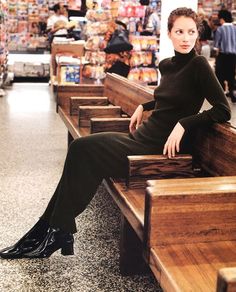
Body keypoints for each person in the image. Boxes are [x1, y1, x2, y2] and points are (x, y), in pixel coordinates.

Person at [0, 7, 231, 259]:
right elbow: (168, 99)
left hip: (156, 148)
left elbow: (222, 109)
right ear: (169, 34)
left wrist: (186, 122)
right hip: (142, 137)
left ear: (198, 34)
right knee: (80, 148)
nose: (186, 38)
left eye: (191, 32)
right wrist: (145, 105)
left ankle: (55, 231)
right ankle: (49, 229)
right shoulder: (168, 65)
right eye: (179, 32)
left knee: (83, 150)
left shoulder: (198, 65)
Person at [214, 9, 236, 103]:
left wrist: (216, 54)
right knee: (231, 75)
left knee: (219, 74)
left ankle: (221, 94)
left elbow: (216, 46)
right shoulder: (235, 29)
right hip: (233, 56)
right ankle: (233, 94)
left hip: (223, 56)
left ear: (222, 19)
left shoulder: (220, 29)